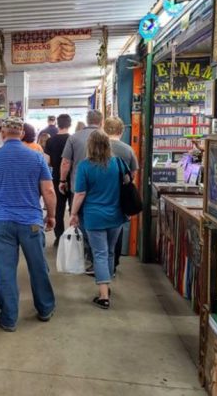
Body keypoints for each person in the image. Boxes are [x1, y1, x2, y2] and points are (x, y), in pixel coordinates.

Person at [0, 117, 57, 332]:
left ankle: (9, 318)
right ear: (21, 134)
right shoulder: (37, 157)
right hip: (31, 222)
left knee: (5, 270)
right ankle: (45, 308)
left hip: (1, 221)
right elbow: (48, 190)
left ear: (2, 132)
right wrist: (52, 216)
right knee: (38, 267)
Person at [68, 131, 127, 310]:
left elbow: (80, 193)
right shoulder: (118, 163)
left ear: (90, 146)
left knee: (99, 253)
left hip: (94, 216)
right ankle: (106, 287)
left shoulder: (85, 166)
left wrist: (73, 214)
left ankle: (103, 296)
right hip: (116, 215)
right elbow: (127, 182)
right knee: (109, 252)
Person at [59, 110, 103, 275]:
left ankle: (84, 253)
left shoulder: (74, 137)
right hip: (100, 187)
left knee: (78, 218)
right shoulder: (104, 137)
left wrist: (62, 181)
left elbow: (65, 162)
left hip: (77, 186)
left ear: (87, 120)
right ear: (101, 121)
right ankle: (96, 257)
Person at [103, 117, 140, 274]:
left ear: (104, 129)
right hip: (121, 195)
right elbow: (133, 174)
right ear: (121, 131)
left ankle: (99, 262)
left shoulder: (97, 148)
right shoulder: (128, 149)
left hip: (100, 194)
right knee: (117, 229)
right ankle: (114, 262)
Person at [43, 114, 73, 245]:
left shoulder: (50, 141)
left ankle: (59, 237)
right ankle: (74, 236)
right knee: (74, 208)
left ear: (57, 124)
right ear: (69, 124)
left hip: (56, 178)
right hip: (72, 177)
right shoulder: (73, 139)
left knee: (58, 209)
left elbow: (47, 162)